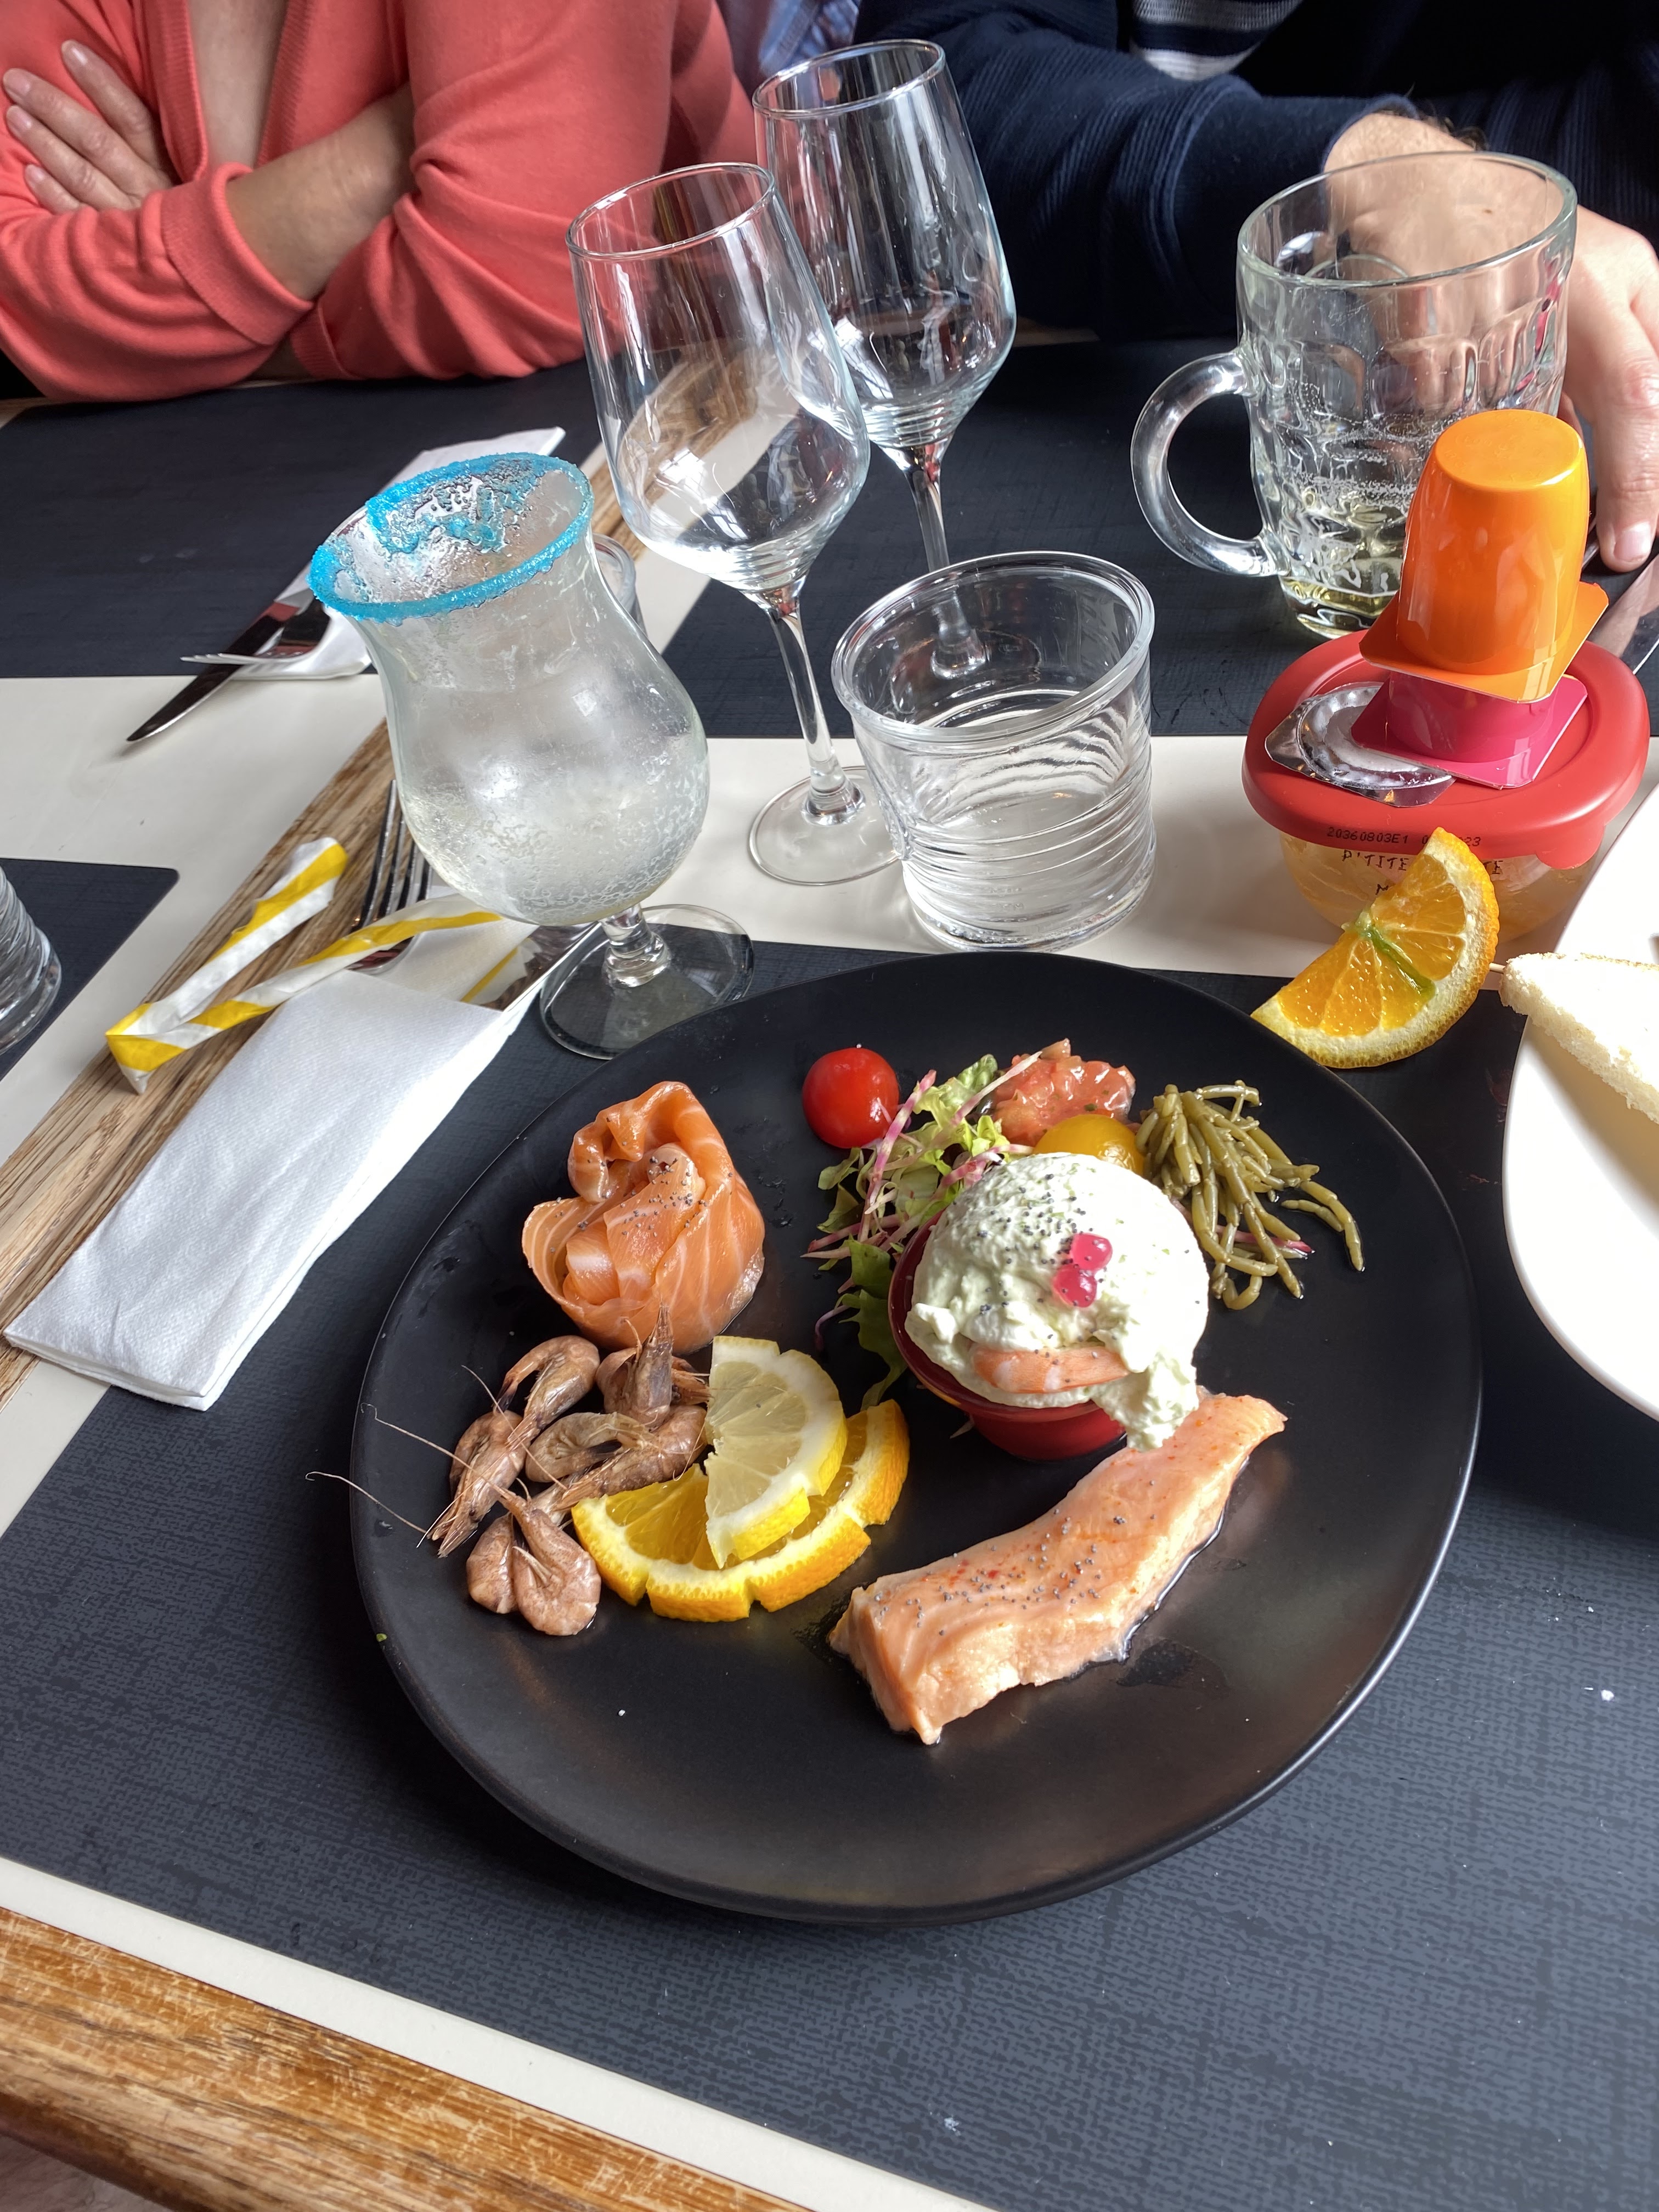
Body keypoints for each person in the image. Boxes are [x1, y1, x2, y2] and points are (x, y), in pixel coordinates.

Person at [856, 0, 1659, 569]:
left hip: (1571, 381)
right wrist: (1371, 174)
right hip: (1066, 391)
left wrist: (1432, 185)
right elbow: (919, 114)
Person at [0, 0, 754, 403]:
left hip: (713, 448)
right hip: (282, 508)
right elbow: (26, 295)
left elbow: (518, 286)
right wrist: (382, 152)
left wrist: (177, 295)